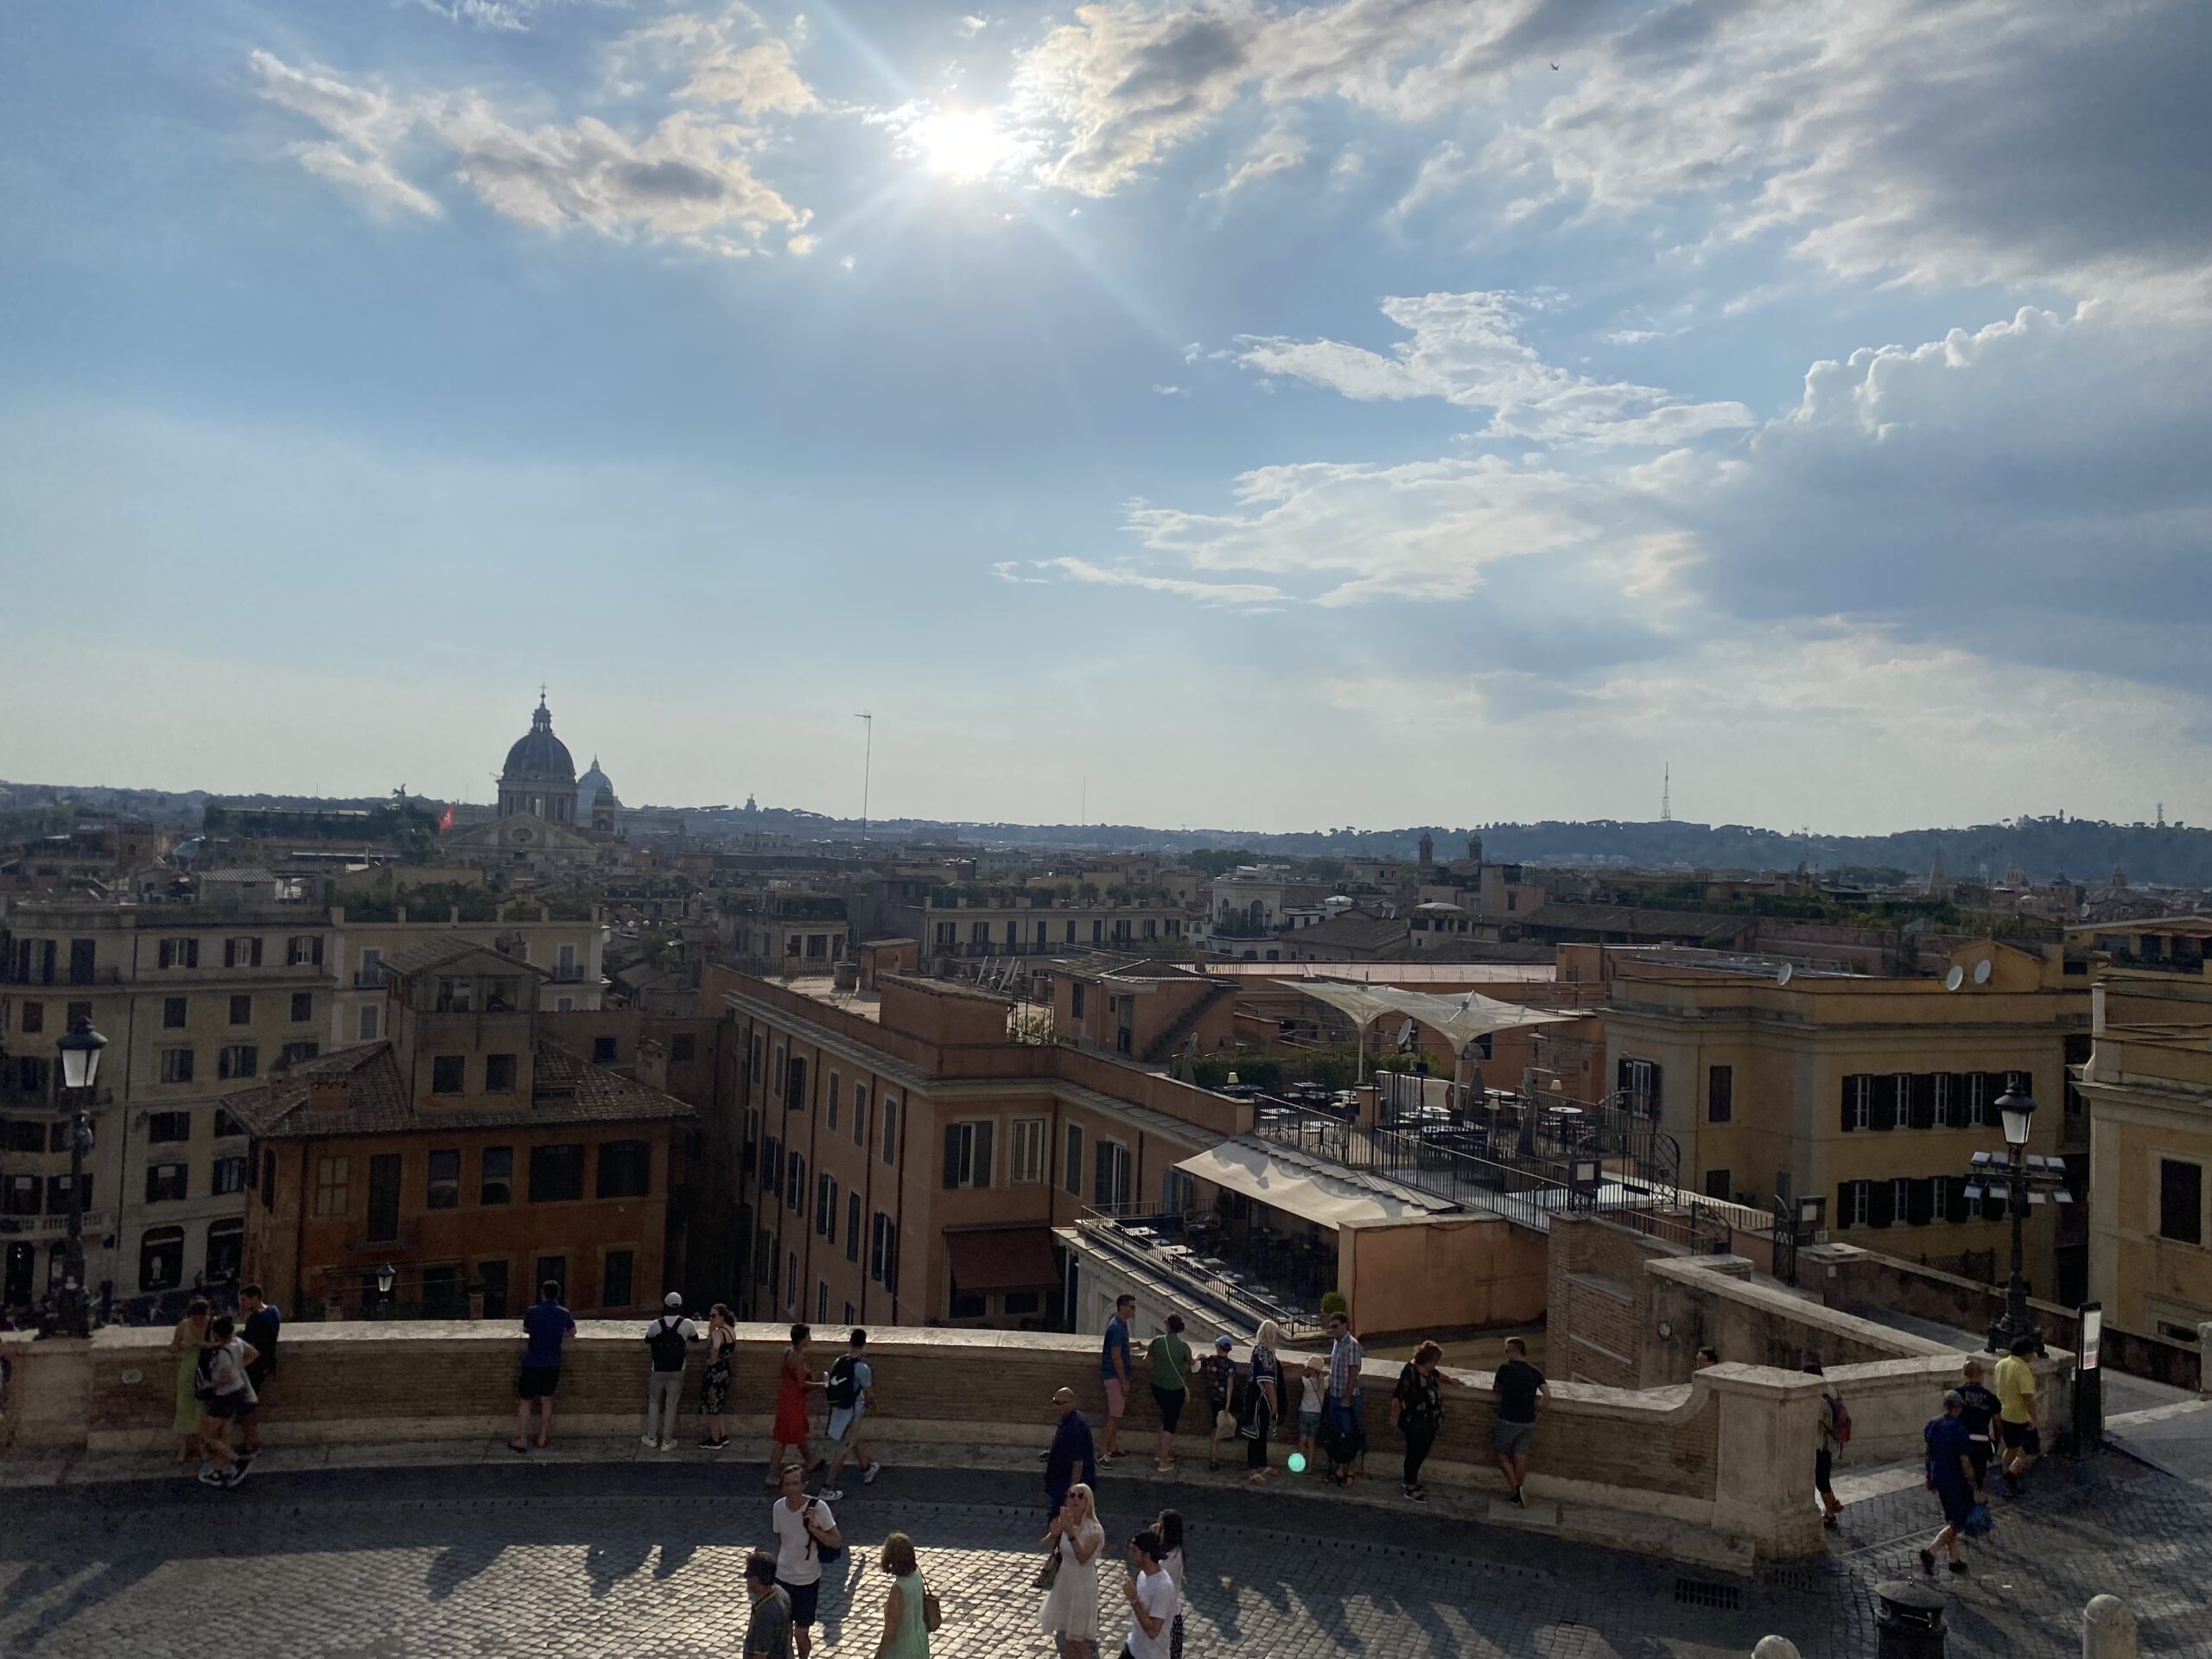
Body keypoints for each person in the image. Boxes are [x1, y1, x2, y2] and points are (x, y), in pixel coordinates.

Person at [772, 1462, 842, 1659]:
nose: (792, 1489)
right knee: (783, 1632)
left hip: (807, 1582)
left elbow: (836, 1541)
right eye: (787, 1484)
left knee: (801, 1633)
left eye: (796, 1483)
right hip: (783, 1579)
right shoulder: (778, 1507)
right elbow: (779, 1539)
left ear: (804, 1485)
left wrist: (813, 1529)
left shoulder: (818, 1508)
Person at [1918, 1390, 1984, 1576]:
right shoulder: (1959, 1429)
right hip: (1956, 1480)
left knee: (1951, 1518)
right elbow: (1965, 1462)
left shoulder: (1932, 1425)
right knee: (1956, 1522)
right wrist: (1975, 1487)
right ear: (1959, 1407)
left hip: (1939, 1476)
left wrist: (1929, 1476)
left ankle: (1955, 1561)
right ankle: (1931, 1552)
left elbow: (1927, 1452)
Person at [1040, 1482, 1106, 1659]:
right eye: (1071, 1495)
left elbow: (1083, 1558)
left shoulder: (1094, 1530)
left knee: (1080, 1640)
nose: (1074, 1499)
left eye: (1080, 1496)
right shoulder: (1065, 1522)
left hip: (1083, 1585)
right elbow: (1046, 1543)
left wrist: (1070, 1533)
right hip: (1065, 1581)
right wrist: (1053, 1533)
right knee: (1064, 1638)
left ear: (1088, 1502)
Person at [1391, 1340, 1463, 1502]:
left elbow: (1436, 1374)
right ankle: (1410, 1487)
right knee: (1415, 1454)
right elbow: (1398, 1397)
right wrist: (1394, 1417)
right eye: (1435, 1361)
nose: (1435, 1364)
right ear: (1428, 1360)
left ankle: (1410, 1479)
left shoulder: (1427, 1370)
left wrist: (1450, 1380)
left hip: (1428, 1421)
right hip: (1415, 1422)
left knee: (1419, 1452)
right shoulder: (1410, 1372)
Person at [196, 1313, 259, 1488]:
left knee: (206, 1437)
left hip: (225, 1396)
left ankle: (238, 1461)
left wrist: (209, 1385)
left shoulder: (223, 1354)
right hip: (238, 1392)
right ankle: (218, 1470)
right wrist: (238, 1367)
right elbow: (254, 1353)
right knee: (223, 1433)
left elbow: (226, 1379)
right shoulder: (237, 1343)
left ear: (217, 1334)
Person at [512, 1279, 575, 1452]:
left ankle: (522, 1439)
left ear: (542, 1293)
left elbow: (525, 1329)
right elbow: (573, 1332)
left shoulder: (533, 1312)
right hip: (551, 1363)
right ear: (558, 1294)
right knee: (546, 1400)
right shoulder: (564, 1313)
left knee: (525, 1400)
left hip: (532, 1363)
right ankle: (542, 1438)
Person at [823, 1327, 883, 1500]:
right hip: (853, 1411)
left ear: (850, 1342)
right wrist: (876, 1407)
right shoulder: (862, 1368)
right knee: (845, 1447)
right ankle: (827, 1487)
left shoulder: (839, 1361)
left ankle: (866, 1466)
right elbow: (869, 1394)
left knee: (850, 1439)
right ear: (864, 1344)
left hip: (839, 1409)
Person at [1491, 1336, 1548, 1507]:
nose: (1505, 1353)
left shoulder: (1505, 1368)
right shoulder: (1535, 1372)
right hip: (1528, 1421)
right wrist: (1538, 1411)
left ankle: (1516, 1489)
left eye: (1506, 1350)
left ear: (1514, 1352)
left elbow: (1496, 1388)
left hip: (1508, 1419)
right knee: (1520, 1456)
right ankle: (1518, 1494)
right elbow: (1547, 1394)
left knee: (1501, 1454)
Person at [641, 1292, 698, 1450]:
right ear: (680, 1307)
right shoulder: (687, 1324)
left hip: (658, 1369)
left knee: (654, 1402)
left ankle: (651, 1437)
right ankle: (667, 1441)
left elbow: (648, 1340)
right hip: (678, 1369)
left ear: (665, 1306)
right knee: (671, 1405)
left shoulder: (655, 1325)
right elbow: (695, 1338)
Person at [768, 1323, 823, 1488]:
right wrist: (820, 1385)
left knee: (797, 1433)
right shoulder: (798, 1357)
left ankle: (811, 1461)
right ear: (802, 1339)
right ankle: (771, 1475)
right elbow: (801, 1384)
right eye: (808, 1336)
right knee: (785, 1438)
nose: (810, 1338)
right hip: (794, 1400)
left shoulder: (788, 1352)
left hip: (787, 1396)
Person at [1119, 1528, 1179, 1659]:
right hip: (1133, 1648)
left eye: (1135, 1551)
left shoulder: (1162, 1586)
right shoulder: (1142, 1576)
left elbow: (1153, 1631)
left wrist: (1134, 1599)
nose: (1130, 1554)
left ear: (1146, 1556)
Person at [1144, 1314, 1193, 1473]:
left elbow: (1147, 1359)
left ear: (1167, 1326)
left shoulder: (1157, 1341)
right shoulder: (1183, 1346)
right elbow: (1194, 1364)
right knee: (1170, 1424)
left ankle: (1161, 1453)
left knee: (1165, 1419)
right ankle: (1163, 1461)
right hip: (1175, 1389)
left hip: (1157, 1387)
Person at [1321, 1310, 1365, 1486]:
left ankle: (1350, 1470)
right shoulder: (1337, 1342)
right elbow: (1334, 1360)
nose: (1333, 1329)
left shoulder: (1353, 1344)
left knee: (1351, 1434)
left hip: (1348, 1398)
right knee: (1337, 1434)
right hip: (1334, 1395)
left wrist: (1347, 1397)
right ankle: (1339, 1467)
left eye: (1336, 1326)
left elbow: (1354, 1372)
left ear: (1345, 1325)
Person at [873, 1531, 933, 1659]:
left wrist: (878, 1655)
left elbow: (890, 1632)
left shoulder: (898, 1589)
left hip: (902, 1651)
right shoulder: (917, 1575)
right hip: (920, 1643)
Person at [237, 1284, 280, 1457]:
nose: (243, 1303)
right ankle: (253, 1441)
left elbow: (250, 1347)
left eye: (245, 1299)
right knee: (250, 1406)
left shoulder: (255, 1320)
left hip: (254, 1368)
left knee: (246, 1408)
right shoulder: (274, 1311)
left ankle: (250, 1443)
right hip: (268, 1365)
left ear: (255, 1298)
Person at [168, 1297, 213, 1465]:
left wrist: (202, 1344)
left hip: (206, 1371)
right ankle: (183, 1449)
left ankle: (202, 1448)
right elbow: (173, 1347)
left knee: (202, 1411)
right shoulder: (183, 1325)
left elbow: (221, 1343)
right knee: (184, 1409)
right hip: (187, 1370)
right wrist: (181, 1346)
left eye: (200, 1317)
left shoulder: (212, 1325)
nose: (197, 1320)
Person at [1993, 1337, 2039, 1495]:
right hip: (2020, 1417)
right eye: (2032, 1353)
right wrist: (2033, 1418)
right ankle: (2011, 1476)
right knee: (2031, 1451)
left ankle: (2006, 1474)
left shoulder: (2001, 1364)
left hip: (2004, 1413)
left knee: (2011, 1448)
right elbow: (2027, 1396)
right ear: (2026, 1354)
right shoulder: (2022, 1369)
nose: (2033, 1356)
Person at [1046, 1387, 1098, 1518]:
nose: (1054, 1406)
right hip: (1059, 1480)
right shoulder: (1067, 1421)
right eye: (1054, 1401)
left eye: (1058, 1403)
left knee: (1060, 1519)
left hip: (1065, 1483)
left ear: (1070, 1404)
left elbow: (1078, 1463)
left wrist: (1072, 1493)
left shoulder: (1075, 1427)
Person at [1242, 1320, 1282, 1484]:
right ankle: (1252, 1468)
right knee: (1256, 1433)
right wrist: (1274, 1403)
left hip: (1258, 1397)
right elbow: (1267, 1381)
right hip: (1259, 1398)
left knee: (1262, 1431)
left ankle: (1261, 1464)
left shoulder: (1263, 1351)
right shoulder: (1264, 1353)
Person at [1808, 1363, 1846, 1528]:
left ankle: (1830, 1513)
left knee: (1821, 1480)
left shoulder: (1818, 1397)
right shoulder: (1832, 1390)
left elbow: (1818, 1422)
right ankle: (1831, 1507)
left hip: (1821, 1445)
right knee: (1824, 1478)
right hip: (1833, 1443)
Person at [1099, 1294, 1135, 1465]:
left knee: (1116, 1414)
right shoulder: (1117, 1328)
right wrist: (1124, 1382)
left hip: (1113, 1376)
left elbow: (1120, 1347)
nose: (1133, 1310)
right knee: (1113, 1416)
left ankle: (1112, 1448)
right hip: (1114, 1378)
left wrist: (1136, 1346)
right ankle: (1102, 1452)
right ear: (1122, 1307)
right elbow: (1116, 1357)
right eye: (1131, 1307)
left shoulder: (1119, 1325)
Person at [1956, 1358, 2002, 1491]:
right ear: (1982, 1374)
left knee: (1961, 1476)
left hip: (1961, 1440)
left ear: (1965, 1374)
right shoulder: (1991, 1398)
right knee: (1979, 1476)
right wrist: (1996, 1441)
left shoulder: (1957, 1394)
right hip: (1981, 1442)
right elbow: (1997, 1423)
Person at [745, 1548, 796, 1659]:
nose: (746, 1580)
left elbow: (760, 1654)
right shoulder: (781, 1593)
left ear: (755, 1579)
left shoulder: (765, 1613)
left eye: (748, 1575)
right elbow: (788, 1635)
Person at [700, 1303, 738, 1449]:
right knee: (718, 1404)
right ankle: (723, 1435)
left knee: (712, 1406)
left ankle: (715, 1440)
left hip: (715, 1372)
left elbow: (716, 1347)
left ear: (722, 1317)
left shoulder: (718, 1333)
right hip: (726, 1371)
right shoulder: (731, 1331)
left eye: (714, 1316)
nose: (711, 1318)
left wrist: (712, 1360)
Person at [1150, 1510, 1186, 1659]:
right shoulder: (1166, 1550)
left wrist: (1151, 1539)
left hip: (1167, 1619)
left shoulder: (1172, 1558)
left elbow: (1152, 1570)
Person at [1201, 1335, 1239, 1471]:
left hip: (1212, 1398)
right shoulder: (1231, 1365)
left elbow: (1200, 1363)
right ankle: (1216, 1456)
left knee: (1214, 1427)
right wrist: (1228, 1404)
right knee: (1221, 1426)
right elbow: (1230, 1386)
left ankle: (1214, 1457)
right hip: (1223, 1399)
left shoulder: (1210, 1360)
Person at [1295, 1356, 1324, 1463]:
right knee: (1312, 1440)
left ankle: (1299, 1463)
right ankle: (1310, 1466)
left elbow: (1301, 1373)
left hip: (1304, 1412)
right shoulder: (1323, 1383)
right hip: (1317, 1413)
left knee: (1303, 1437)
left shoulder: (1306, 1382)